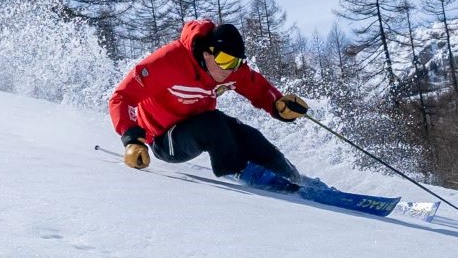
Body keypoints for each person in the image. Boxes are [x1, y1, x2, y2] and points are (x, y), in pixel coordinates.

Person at [109, 18, 311, 191]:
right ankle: (239, 172)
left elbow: (256, 87)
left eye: (236, 62)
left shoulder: (230, 68)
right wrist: (133, 141)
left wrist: (278, 105)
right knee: (213, 125)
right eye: (224, 60)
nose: (229, 69)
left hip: (200, 123)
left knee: (247, 135)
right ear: (207, 53)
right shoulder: (168, 62)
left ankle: (289, 174)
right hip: (163, 138)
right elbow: (122, 97)